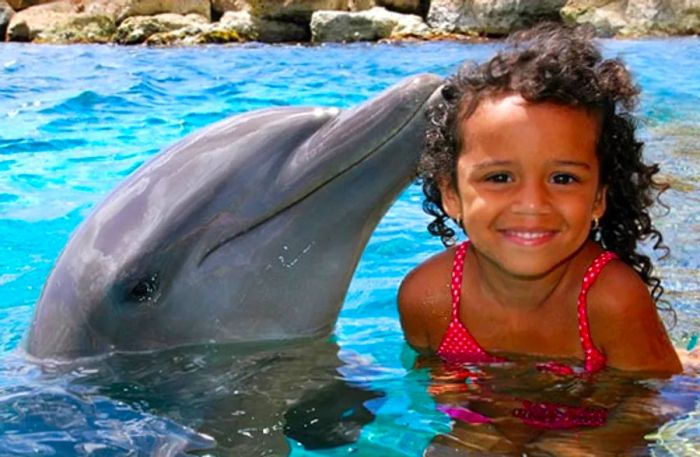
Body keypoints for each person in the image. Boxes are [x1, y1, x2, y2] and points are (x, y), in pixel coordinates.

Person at [398, 22, 683, 378]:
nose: (532, 204)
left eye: (563, 179)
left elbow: (650, 405)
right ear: (451, 195)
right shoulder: (428, 298)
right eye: (499, 178)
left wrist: (565, 437)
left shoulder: (612, 302)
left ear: (598, 198)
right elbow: (437, 386)